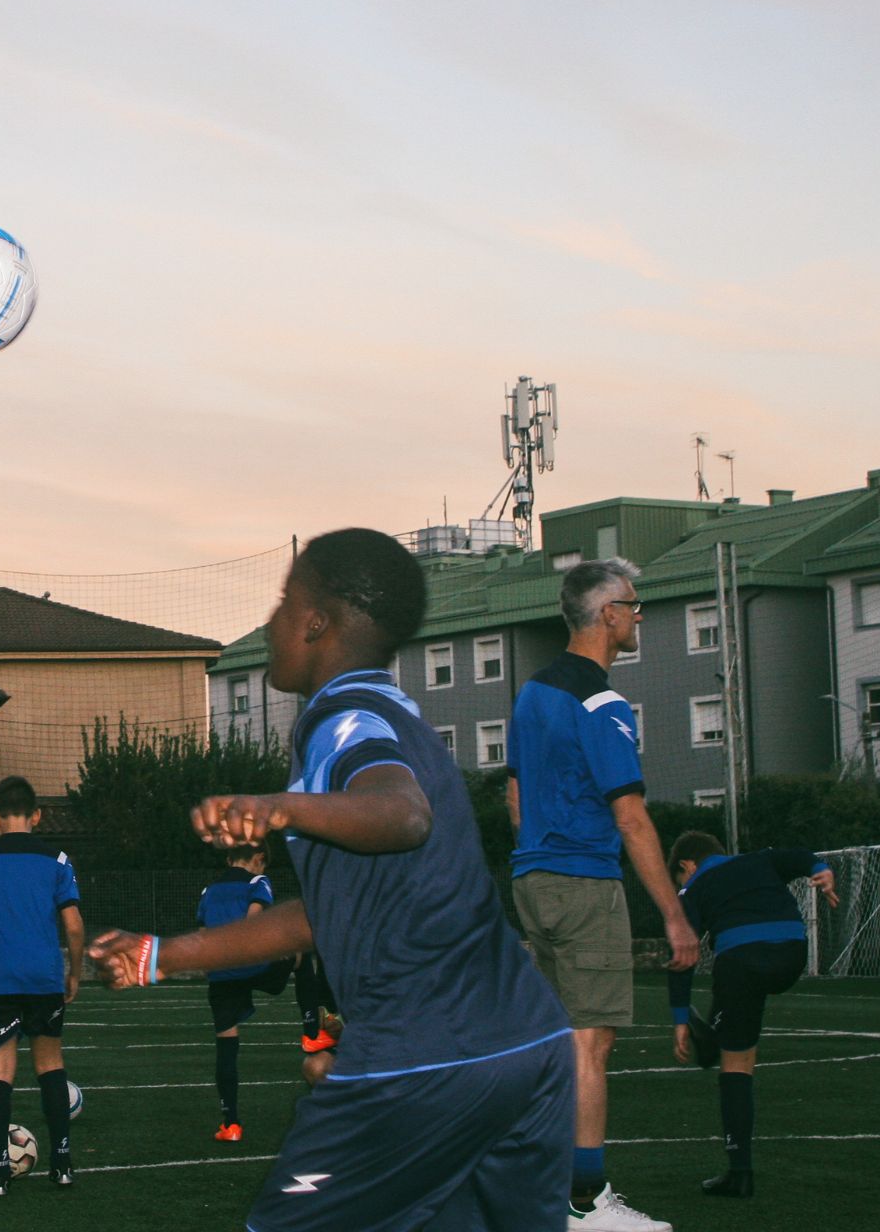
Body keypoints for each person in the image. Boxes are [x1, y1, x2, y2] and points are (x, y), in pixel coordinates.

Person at [89, 528, 573, 1232]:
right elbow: (325, 912)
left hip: (426, 1057)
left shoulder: (341, 719)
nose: (272, 620)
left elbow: (402, 815)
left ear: (317, 621)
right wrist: (162, 955)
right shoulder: (402, 716)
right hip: (530, 1047)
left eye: (285, 601)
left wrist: (276, 806)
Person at [507, 556, 699, 1232]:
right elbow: (631, 816)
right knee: (591, 1045)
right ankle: (586, 1205)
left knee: (560, 1043)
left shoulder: (531, 693)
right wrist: (675, 918)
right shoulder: (602, 701)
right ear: (607, 614)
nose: (639, 614)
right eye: (634, 604)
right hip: (583, 881)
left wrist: (538, 847)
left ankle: (541, 1186)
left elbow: (516, 791)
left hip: (532, 879)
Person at [667, 830, 838, 1197]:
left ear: (687, 865)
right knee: (742, 1003)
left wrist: (680, 1017)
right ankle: (712, 1032)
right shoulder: (758, 858)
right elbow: (796, 853)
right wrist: (821, 870)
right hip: (792, 953)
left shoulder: (692, 889)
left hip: (742, 960)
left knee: (736, 1064)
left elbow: (682, 953)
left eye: (681, 876)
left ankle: (740, 1173)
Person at [0, 774, 85, 1195]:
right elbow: (72, 925)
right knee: (50, 1065)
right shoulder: (57, 860)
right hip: (44, 977)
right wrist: (73, 971)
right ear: (36, 815)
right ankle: (63, 1165)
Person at [194, 844, 290, 1141]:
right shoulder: (257, 882)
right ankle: (316, 1027)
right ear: (258, 859)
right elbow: (252, 920)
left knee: (226, 1047)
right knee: (300, 954)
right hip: (253, 964)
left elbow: (202, 935)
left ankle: (231, 1124)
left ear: (228, 858)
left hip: (222, 973)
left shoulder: (208, 890)